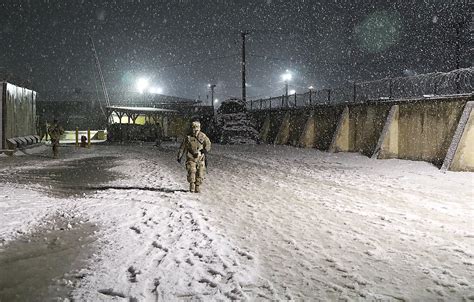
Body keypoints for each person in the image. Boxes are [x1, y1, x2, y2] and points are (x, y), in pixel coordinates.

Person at [177, 121, 211, 193]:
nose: (195, 130)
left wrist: (204, 150)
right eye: (194, 128)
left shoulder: (203, 136)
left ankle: (197, 186)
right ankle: (192, 186)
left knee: (200, 172)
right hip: (191, 157)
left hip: (200, 158)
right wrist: (179, 156)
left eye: (197, 128)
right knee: (192, 171)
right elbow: (182, 147)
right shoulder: (188, 137)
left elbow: (208, 144)